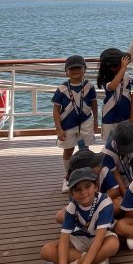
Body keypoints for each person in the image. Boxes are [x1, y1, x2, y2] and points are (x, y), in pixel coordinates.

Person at [36, 167, 119, 264]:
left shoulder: (105, 202)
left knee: (113, 245)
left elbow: (98, 242)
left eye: (87, 186)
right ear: (72, 193)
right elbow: (64, 240)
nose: (83, 192)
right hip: (80, 239)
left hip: (99, 239)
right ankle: (97, 263)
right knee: (46, 251)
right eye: (77, 189)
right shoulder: (71, 207)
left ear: (96, 186)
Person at [52, 55, 98, 193]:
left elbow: (94, 104)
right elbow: (56, 110)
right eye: (72, 69)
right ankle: (67, 177)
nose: (75, 71)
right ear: (66, 71)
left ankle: (85, 175)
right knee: (68, 150)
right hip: (67, 125)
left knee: (84, 150)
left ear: (85, 69)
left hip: (85, 122)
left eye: (79, 68)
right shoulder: (62, 89)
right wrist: (58, 129)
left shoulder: (89, 86)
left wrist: (96, 121)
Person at [99, 120, 133, 199]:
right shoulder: (107, 153)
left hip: (129, 175)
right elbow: (117, 176)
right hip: (115, 181)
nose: (126, 151)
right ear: (115, 139)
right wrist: (128, 197)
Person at [97, 48, 131, 142]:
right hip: (109, 114)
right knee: (109, 142)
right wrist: (122, 69)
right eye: (121, 64)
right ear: (113, 67)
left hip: (125, 113)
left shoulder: (126, 76)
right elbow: (112, 86)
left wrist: (132, 114)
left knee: (124, 141)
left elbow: (129, 94)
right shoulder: (106, 78)